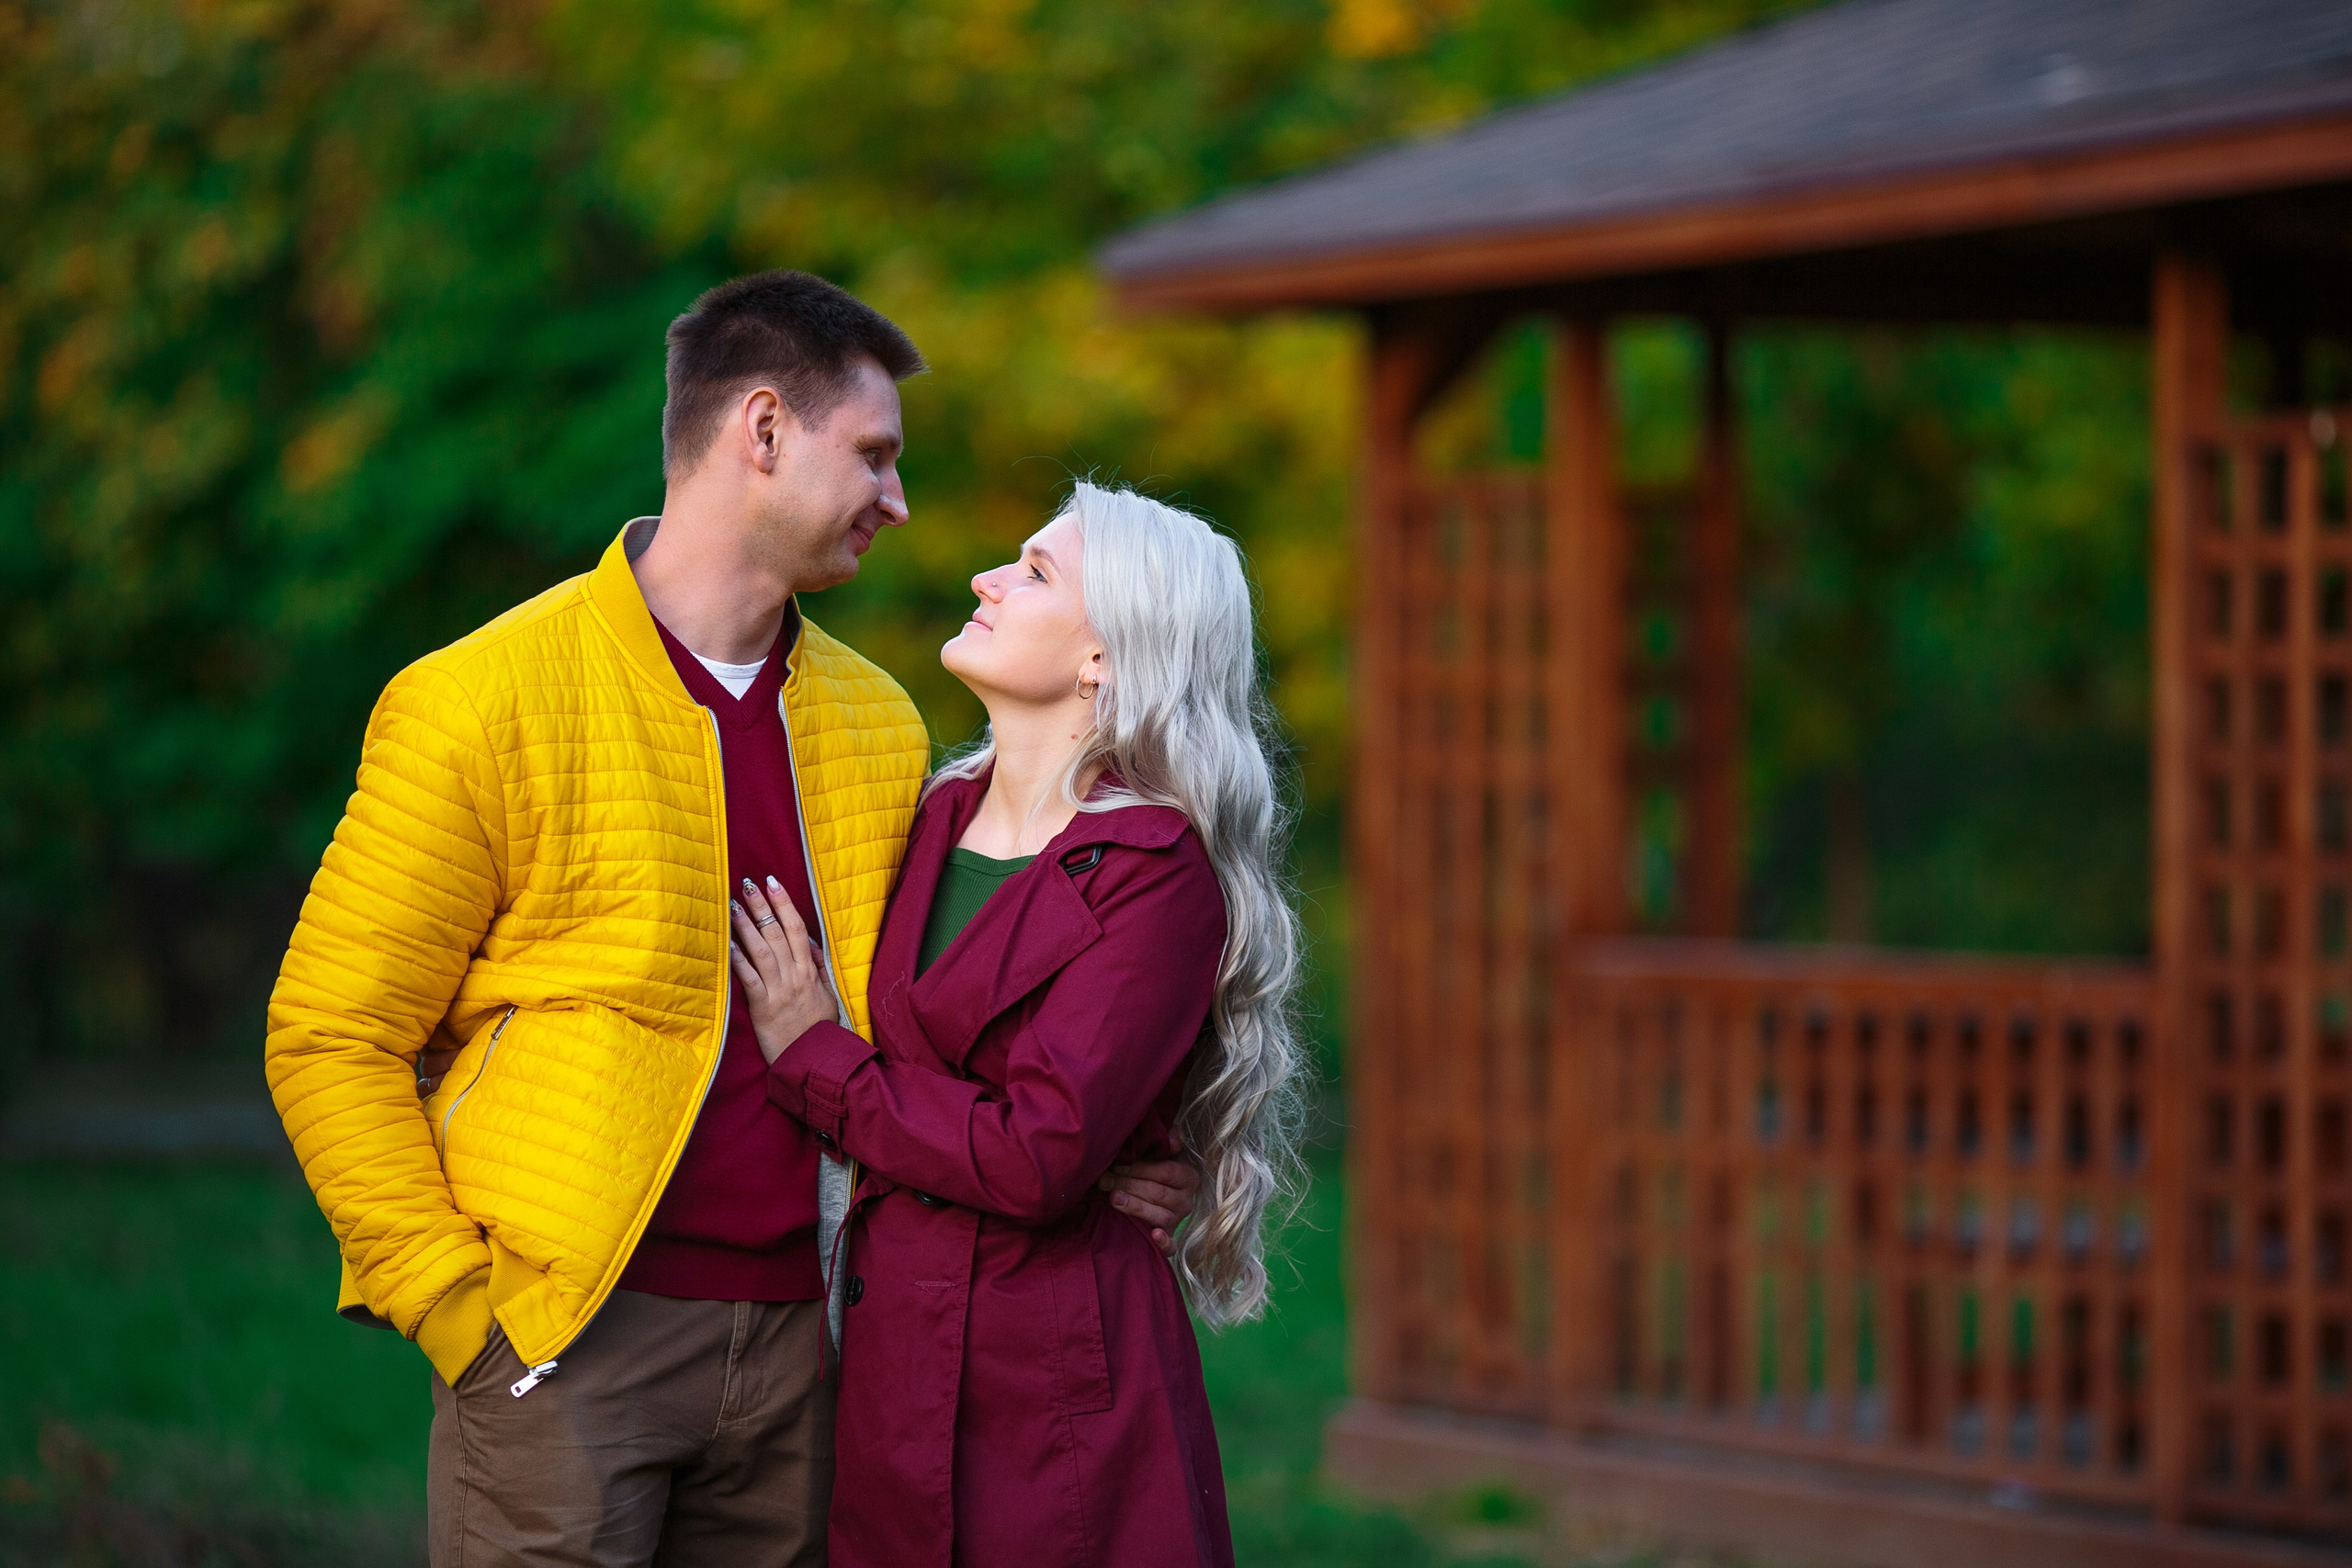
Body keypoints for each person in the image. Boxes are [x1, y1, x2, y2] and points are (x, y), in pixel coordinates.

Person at [265, 274, 1196, 1567]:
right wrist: (457, 1314)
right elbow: (331, 1032)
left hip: (822, 1352)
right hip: (566, 1345)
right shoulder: (482, 698)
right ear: (763, 431)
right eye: (873, 455)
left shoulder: (882, 729)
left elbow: (962, 1016)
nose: (898, 498)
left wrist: (1125, 1156)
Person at [727, 481, 1307, 1568]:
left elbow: (1037, 1153)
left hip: (1054, 1395)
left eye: (1035, 572)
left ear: (1103, 657)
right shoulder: (929, 813)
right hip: (889, 1362)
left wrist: (818, 1061)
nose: (989, 578)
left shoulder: (1156, 870)